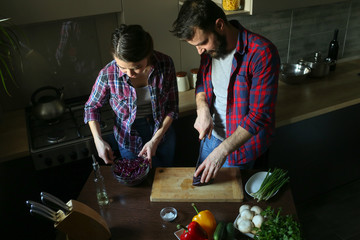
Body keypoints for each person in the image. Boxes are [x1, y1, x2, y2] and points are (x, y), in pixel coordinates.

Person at [171, 0, 280, 183]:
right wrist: (202, 109)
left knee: (232, 205)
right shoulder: (210, 50)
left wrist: (221, 152)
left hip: (242, 147)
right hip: (211, 139)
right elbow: (202, 84)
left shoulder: (261, 53)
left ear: (220, 25)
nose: (200, 51)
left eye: (203, 42)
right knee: (205, 196)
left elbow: (259, 115)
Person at [84, 24, 178, 167]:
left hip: (162, 133)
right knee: (141, 185)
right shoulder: (108, 74)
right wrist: (98, 140)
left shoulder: (165, 64)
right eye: (122, 67)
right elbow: (91, 107)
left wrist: (155, 139)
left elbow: (172, 107)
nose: (129, 74)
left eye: (136, 67)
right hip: (129, 139)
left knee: (165, 179)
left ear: (148, 54)